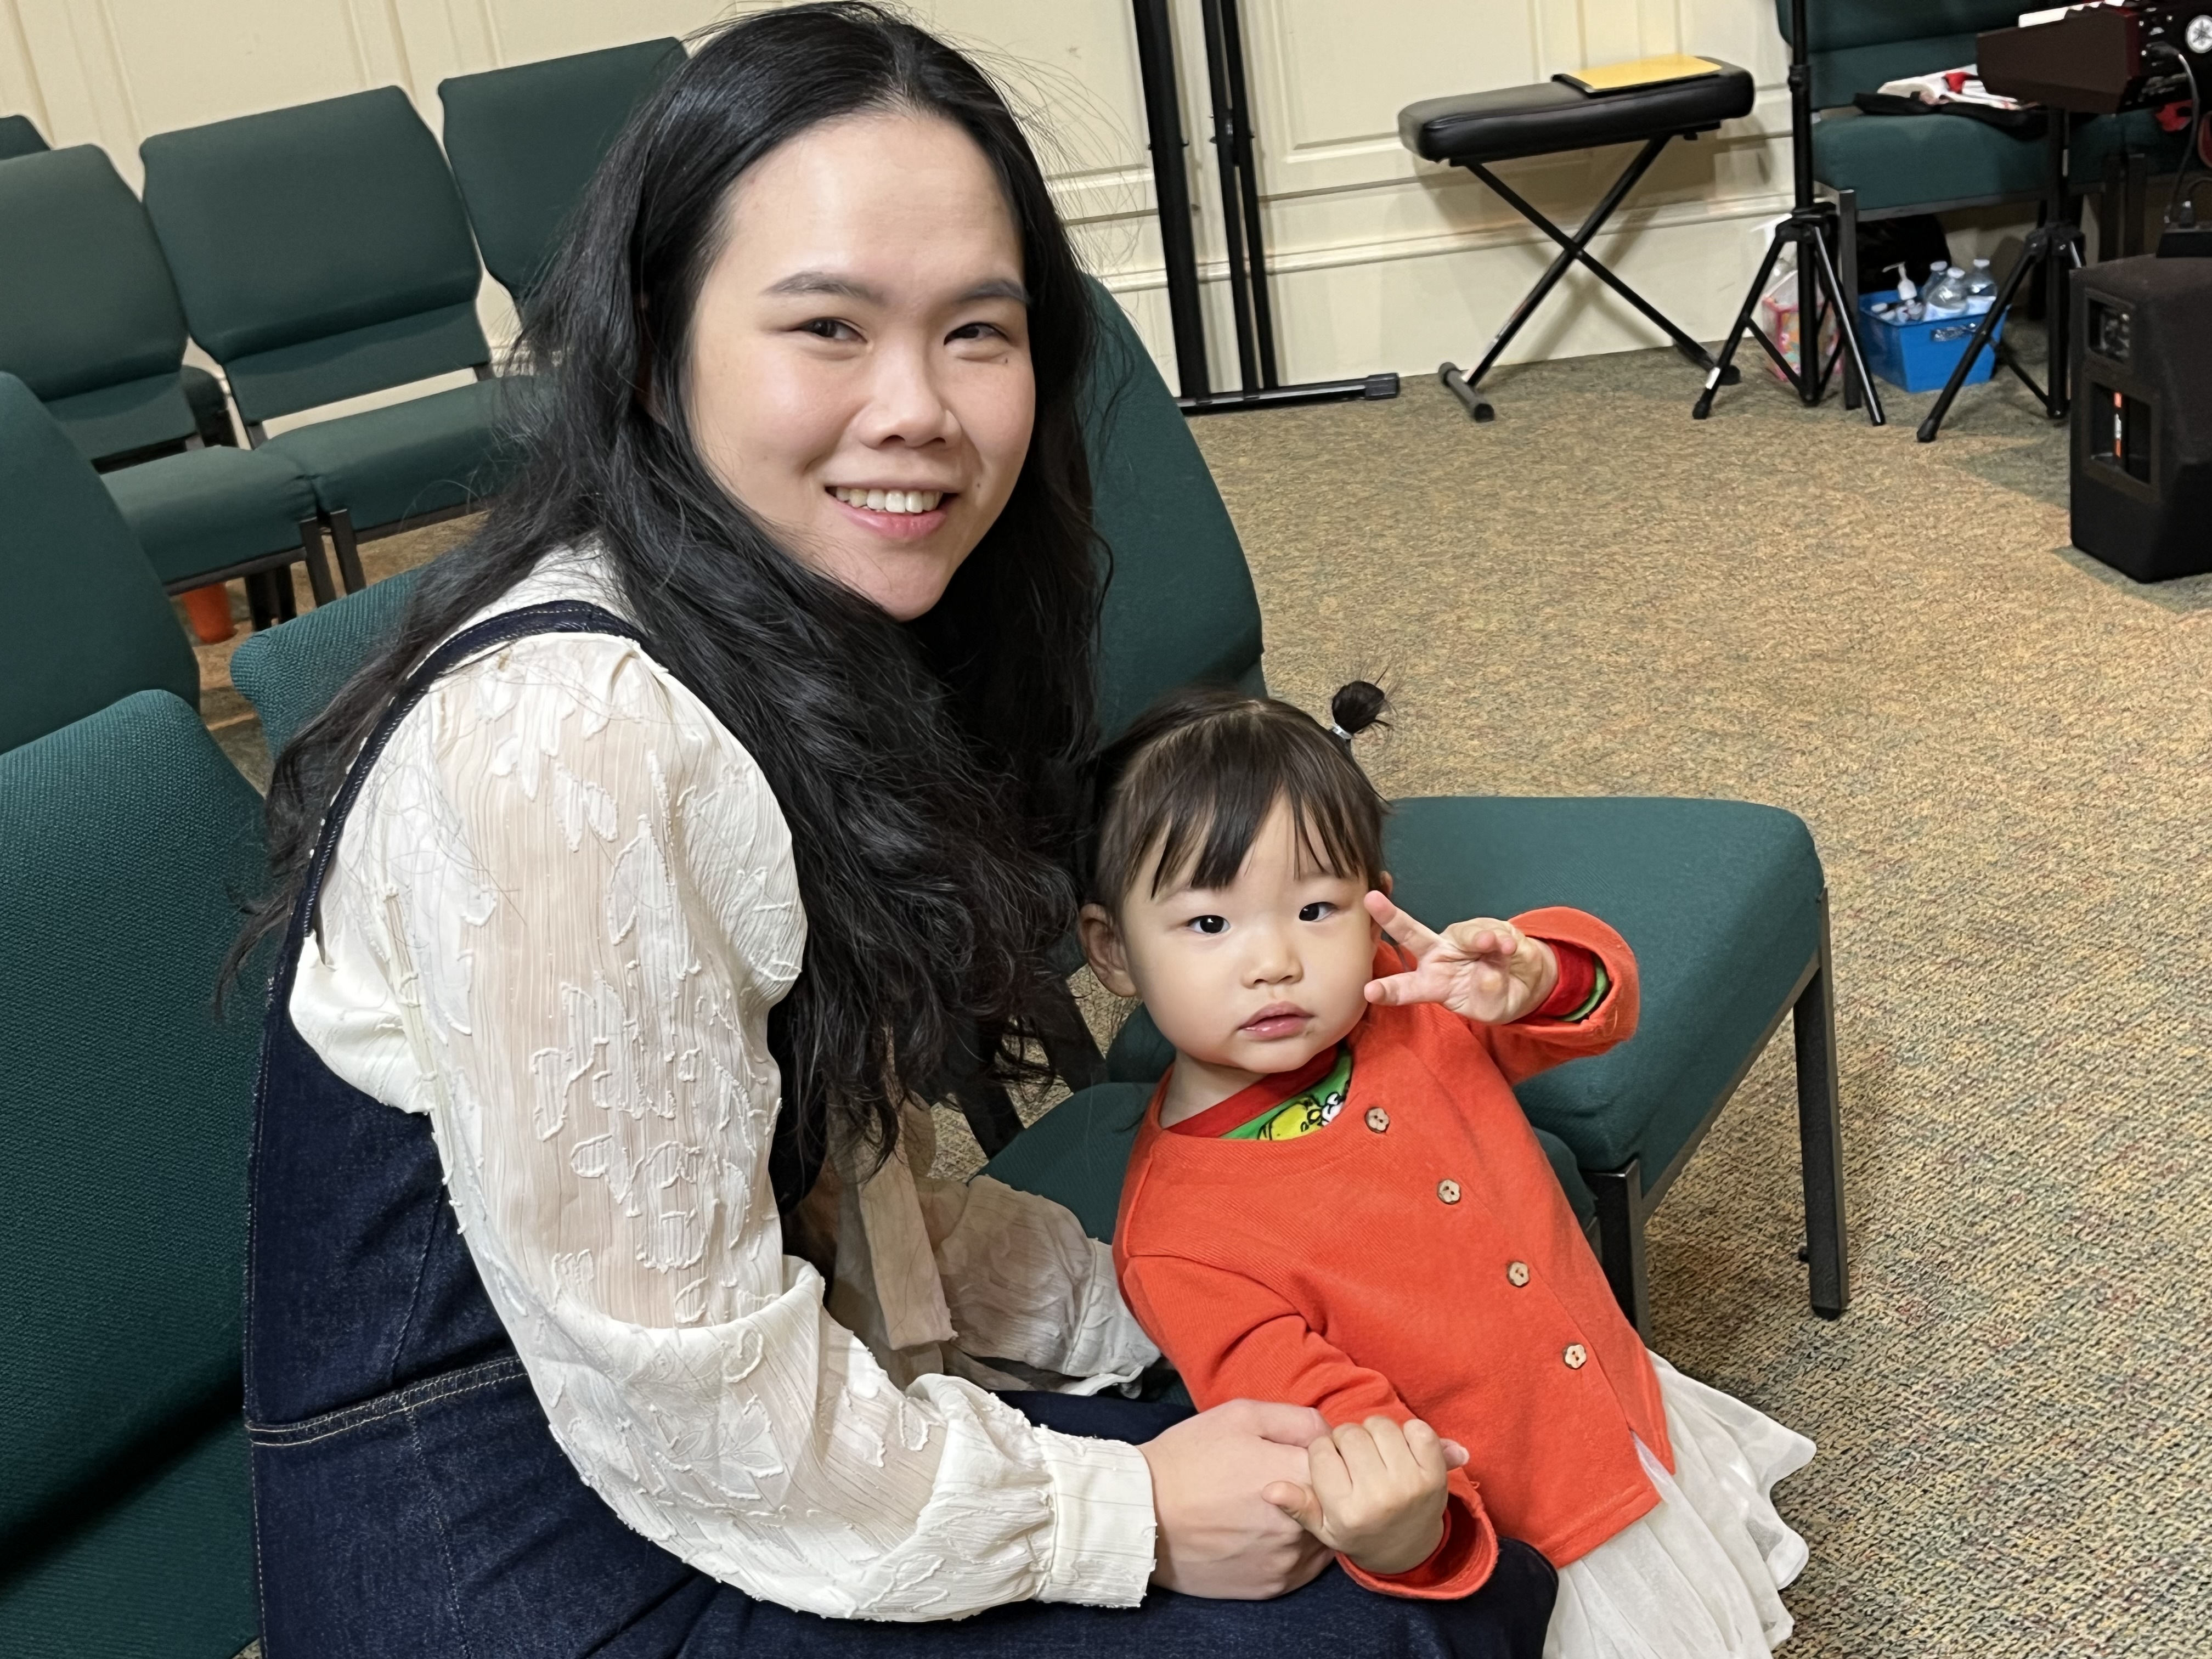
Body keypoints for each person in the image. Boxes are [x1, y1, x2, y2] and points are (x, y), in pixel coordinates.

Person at [223, 5, 1559, 1652]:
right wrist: (1124, 1509)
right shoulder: (570, 740)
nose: (920, 407)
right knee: (1405, 1618)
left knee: (1419, 1490)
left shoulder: (789, 617)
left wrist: (1160, 1312)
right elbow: (690, 1411)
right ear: (652, 347)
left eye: (977, 332)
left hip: (731, 1439)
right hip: (535, 1564)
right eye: (829, 328)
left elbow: (844, 1180)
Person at [1077, 682, 1817, 1657]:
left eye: (1315, 908)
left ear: (1373, 904)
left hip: (1610, 1393)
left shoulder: (1411, 998)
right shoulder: (1181, 1242)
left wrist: (1539, 977)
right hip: (1526, 1524)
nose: (1275, 963)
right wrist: (1405, 1538)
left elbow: (1597, 1010)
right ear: (1112, 949)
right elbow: (1344, 1456)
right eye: (1210, 925)